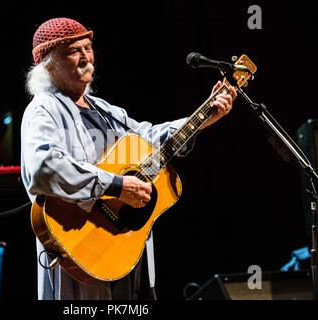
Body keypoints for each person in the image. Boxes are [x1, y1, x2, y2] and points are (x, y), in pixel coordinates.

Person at [21, 17, 236, 300]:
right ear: (48, 64)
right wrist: (117, 186)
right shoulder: (43, 110)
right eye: (74, 51)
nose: (85, 56)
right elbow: (44, 167)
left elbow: (148, 139)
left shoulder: (104, 109)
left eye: (88, 47)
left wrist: (204, 117)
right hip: (80, 243)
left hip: (121, 243)